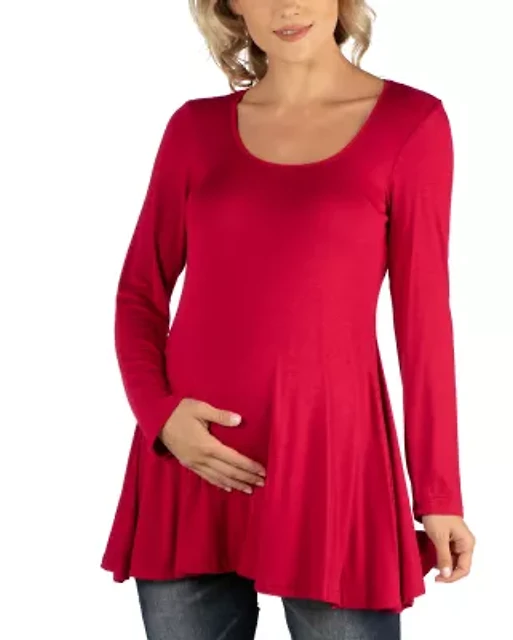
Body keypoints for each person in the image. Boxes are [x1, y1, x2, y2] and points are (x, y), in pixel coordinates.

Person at [101, 0, 476, 637]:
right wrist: (159, 417)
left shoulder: (410, 125)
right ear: (230, 6)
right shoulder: (194, 129)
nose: (287, 6)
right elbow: (140, 292)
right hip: (190, 463)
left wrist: (439, 494)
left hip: (332, 464)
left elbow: (424, 327)